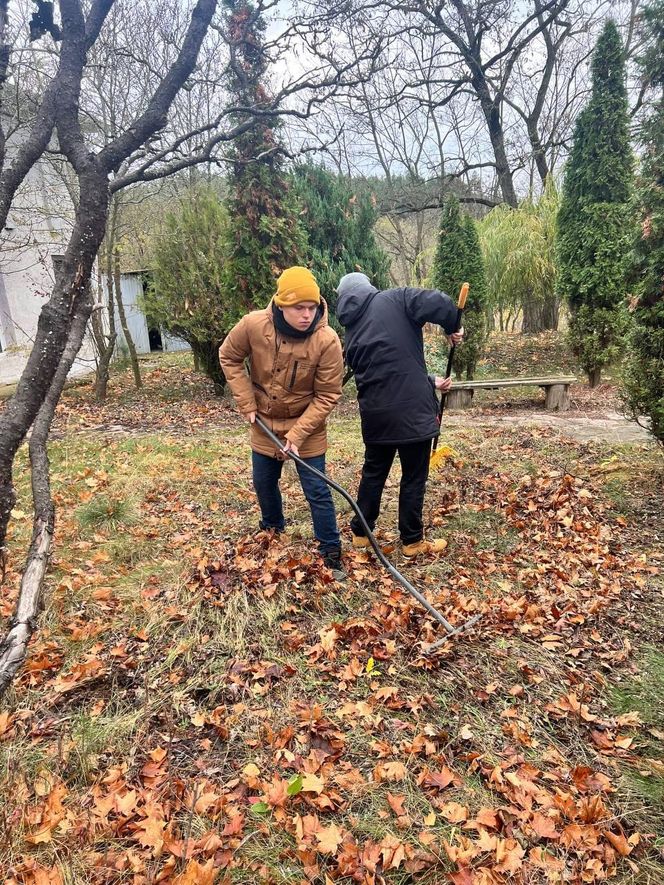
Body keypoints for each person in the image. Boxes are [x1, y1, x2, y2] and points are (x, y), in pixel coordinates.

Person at [219, 266, 345, 576]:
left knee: (317, 489)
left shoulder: (327, 340)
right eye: (298, 308)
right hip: (263, 421)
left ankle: (330, 550)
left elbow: (328, 395)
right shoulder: (253, 325)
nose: (306, 314)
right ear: (281, 304)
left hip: (307, 425)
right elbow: (229, 356)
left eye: (311, 307)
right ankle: (273, 527)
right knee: (264, 482)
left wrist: (298, 435)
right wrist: (246, 401)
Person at [336, 272, 463, 558]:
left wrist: (430, 380)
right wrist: (453, 325)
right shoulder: (397, 298)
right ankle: (412, 541)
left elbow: (388, 367)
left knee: (374, 473)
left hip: (376, 416)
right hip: (412, 414)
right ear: (368, 287)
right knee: (414, 477)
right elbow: (439, 302)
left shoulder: (351, 330)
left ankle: (360, 534)